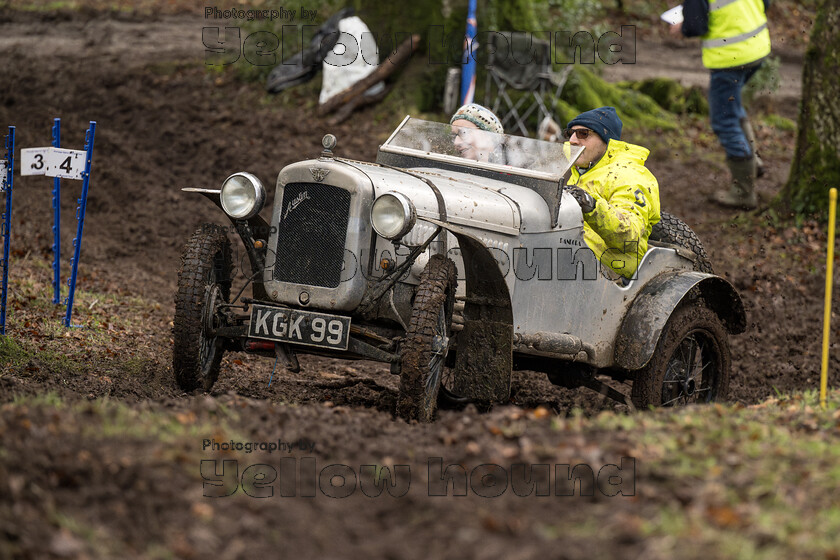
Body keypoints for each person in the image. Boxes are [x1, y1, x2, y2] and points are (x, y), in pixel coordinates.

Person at [670, 0, 772, 209]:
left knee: (724, 120)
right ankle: (752, 163)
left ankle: (744, 192)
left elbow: (696, 26)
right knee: (733, 107)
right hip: (757, 48)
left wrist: (681, 26)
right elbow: (766, 4)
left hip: (730, 59)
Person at [563, 107, 661, 280]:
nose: (572, 140)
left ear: (606, 140)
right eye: (570, 133)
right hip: (570, 259)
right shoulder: (581, 172)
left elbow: (629, 236)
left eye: (583, 134)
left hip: (611, 272)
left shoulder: (629, 175)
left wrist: (591, 205)